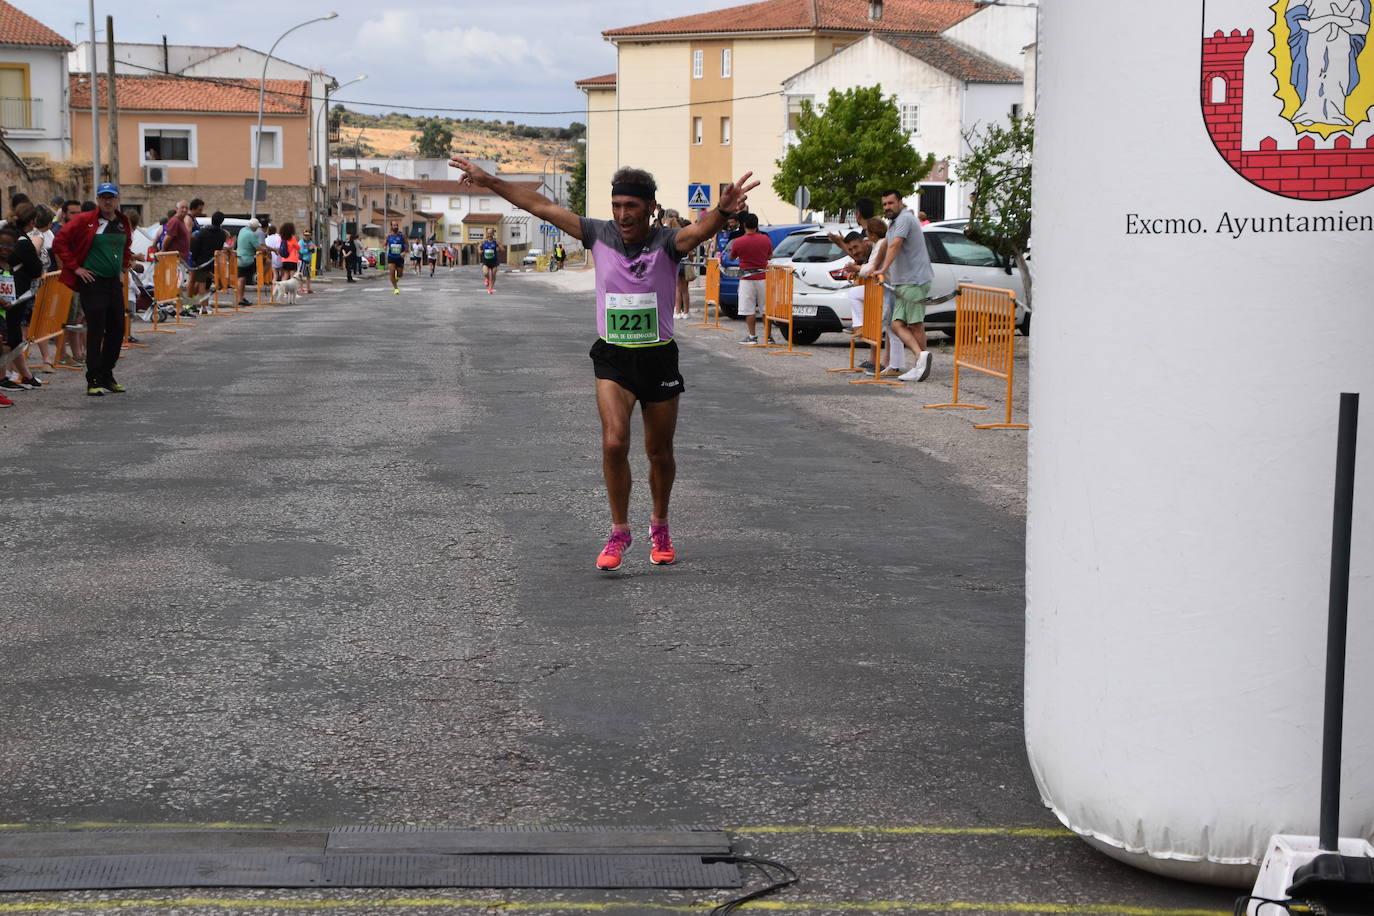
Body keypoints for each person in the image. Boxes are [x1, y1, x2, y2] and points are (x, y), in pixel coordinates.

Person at [451, 154, 759, 571]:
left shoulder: (668, 241)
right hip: (613, 356)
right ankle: (619, 530)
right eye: (616, 206)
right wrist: (489, 181)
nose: (622, 214)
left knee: (659, 451)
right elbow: (539, 206)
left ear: (651, 207)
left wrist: (722, 210)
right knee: (615, 442)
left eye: (631, 206)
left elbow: (701, 229)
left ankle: (660, 523)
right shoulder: (597, 233)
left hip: (658, 358)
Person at [51, 182, 138, 396]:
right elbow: (59, 242)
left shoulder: (122, 221)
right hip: (92, 282)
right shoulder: (85, 220)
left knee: (118, 329)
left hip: (113, 283)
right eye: (103, 197)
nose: (107, 201)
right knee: (97, 329)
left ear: (118, 199)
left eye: (111, 197)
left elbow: (125, 247)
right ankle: (93, 379)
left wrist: (123, 266)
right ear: (98, 200)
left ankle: (107, 374)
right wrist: (76, 268)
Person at [878, 189, 934, 382]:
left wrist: (883, 269)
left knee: (915, 323)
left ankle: (921, 364)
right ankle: (921, 359)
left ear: (900, 202)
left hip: (914, 280)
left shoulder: (904, 219)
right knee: (896, 324)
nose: (887, 207)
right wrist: (871, 268)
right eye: (884, 204)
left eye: (891, 203)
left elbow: (895, 245)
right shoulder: (893, 222)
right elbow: (886, 244)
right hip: (903, 282)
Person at [729, 213, 774, 344]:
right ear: (756, 224)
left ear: (744, 225)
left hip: (747, 278)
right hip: (763, 277)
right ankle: (768, 337)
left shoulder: (739, 241)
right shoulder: (765, 239)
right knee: (765, 309)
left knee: (749, 309)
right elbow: (770, 256)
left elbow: (732, 257)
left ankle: (752, 336)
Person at [187, 211, 227, 307]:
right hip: (214, 261)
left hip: (201, 261)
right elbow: (220, 247)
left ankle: (202, 306)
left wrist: (195, 258)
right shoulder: (222, 234)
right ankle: (202, 304)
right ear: (221, 221)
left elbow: (195, 246)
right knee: (207, 284)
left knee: (201, 283)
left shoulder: (203, 232)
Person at [234, 218, 265, 306]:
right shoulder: (251, 234)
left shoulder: (242, 230)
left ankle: (240, 297)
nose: (257, 229)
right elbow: (258, 247)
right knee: (242, 278)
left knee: (241, 278)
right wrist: (265, 250)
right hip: (247, 259)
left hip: (239, 257)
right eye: (256, 227)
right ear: (254, 227)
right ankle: (257, 278)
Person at [161, 199, 191, 266]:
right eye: (182, 207)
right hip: (174, 261)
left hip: (181, 261)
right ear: (177, 209)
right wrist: (164, 251)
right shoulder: (175, 221)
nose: (185, 210)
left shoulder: (181, 221)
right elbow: (167, 239)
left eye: (186, 208)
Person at [384, 223, 406, 294]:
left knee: (400, 274)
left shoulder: (402, 236)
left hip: (400, 257)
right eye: (394, 225)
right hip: (391, 256)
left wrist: (404, 252)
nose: (396, 227)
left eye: (397, 225)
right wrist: (384, 248)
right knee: (392, 272)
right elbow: (384, 244)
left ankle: (396, 280)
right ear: (391, 227)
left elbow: (407, 245)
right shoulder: (388, 236)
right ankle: (396, 288)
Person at [279, 222, 300, 286]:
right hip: (292, 259)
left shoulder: (282, 239)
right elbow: (298, 247)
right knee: (292, 276)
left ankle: (283, 290)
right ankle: (292, 292)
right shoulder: (292, 239)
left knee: (285, 275)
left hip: (284, 259)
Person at [479, 229, 500, 294]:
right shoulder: (484, 241)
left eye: (491, 233)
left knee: (493, 275)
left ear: (493, 234)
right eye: (488, 233)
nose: (489, 235)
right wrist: (479, 251)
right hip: (486, 261)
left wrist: (499, 247)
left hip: (494, 261)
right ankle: (487, 279)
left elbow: (502, 249)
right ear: (487, 234)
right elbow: (479, 247)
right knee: (485, 273)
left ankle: (490, 288)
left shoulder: (496, 242)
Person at [298, 229, 315, 294]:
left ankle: (308, 288)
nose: (307, 237)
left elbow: (313, 251)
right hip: (303, 260)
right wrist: (308, 249)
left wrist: (313, 249)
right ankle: (301, 288)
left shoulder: (310, 242)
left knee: (308, 275)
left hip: (308, 260)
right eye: (305, 235)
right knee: (301, 275)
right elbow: (301, 251)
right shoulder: (301, 242)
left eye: (308, 235)